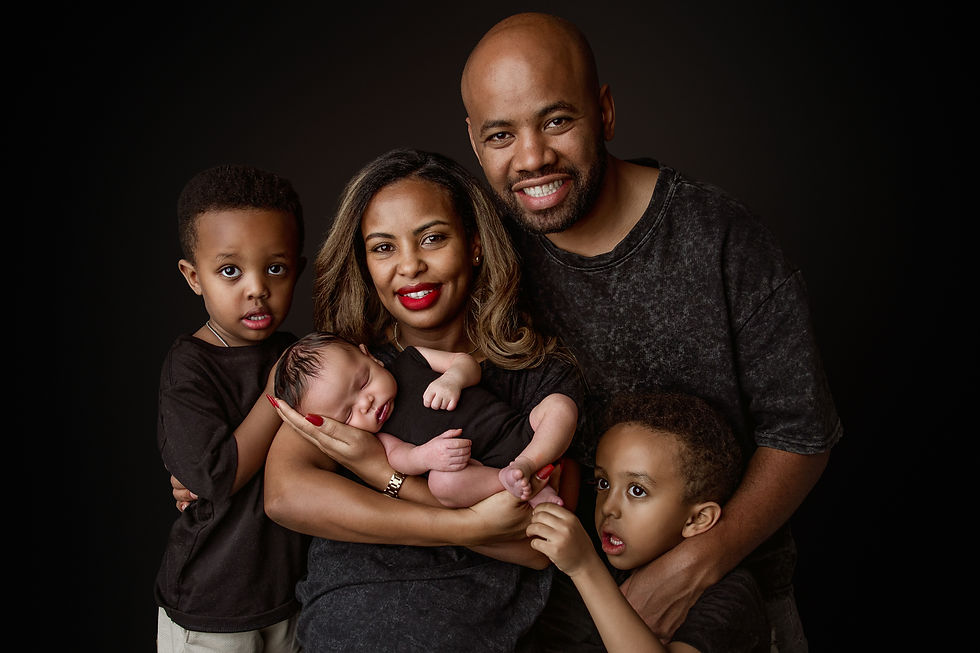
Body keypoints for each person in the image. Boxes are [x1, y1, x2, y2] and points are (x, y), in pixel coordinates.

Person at [460, 12, 842, 651]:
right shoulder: (486, 257)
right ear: (475, 142)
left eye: (557, 120)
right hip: (547, 608)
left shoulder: (722, 241)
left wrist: (695, 566)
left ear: (604, 112)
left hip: (724, 602)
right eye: (501, 134)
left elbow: (802, 435)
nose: (532, 157)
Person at [257, 148, 587, 652]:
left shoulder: (537, 374)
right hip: (343, 630)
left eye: (432, 238)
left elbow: (536, 547)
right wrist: (468, 523)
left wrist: (377, 473)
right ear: (365, 264)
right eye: (383, 248)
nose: (409, 266)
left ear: (474, 245)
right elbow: (285, 495)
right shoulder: (349, 372)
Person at [154, 163, 310, 653]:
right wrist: (279, 389)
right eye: (229, 270)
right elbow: (214, 477)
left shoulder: (299, 353)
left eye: (275, 268)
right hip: (212, 602)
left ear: (297, 271)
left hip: (287, 592)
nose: (256, 287)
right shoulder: (190, 368)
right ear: (193, 276)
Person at [528, 392, 769, 653]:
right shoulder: (580, 552)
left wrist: (584, 567)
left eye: (637, 491)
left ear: (697, 519)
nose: (608, 506)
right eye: (603, 483)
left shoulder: (727, 596)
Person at [273, 331, 575, 507]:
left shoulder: (412, 359)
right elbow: (401, 459)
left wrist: (453, 379)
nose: (366, 403)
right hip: (477, 469)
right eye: (348, 414)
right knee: (442, 486)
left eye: (364, 382)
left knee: (559, 406)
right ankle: (511, 481)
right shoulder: (379, 435)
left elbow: (466, 363)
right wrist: (426, 456)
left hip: (515, 429)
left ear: (371, 357)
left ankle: (528, 464)